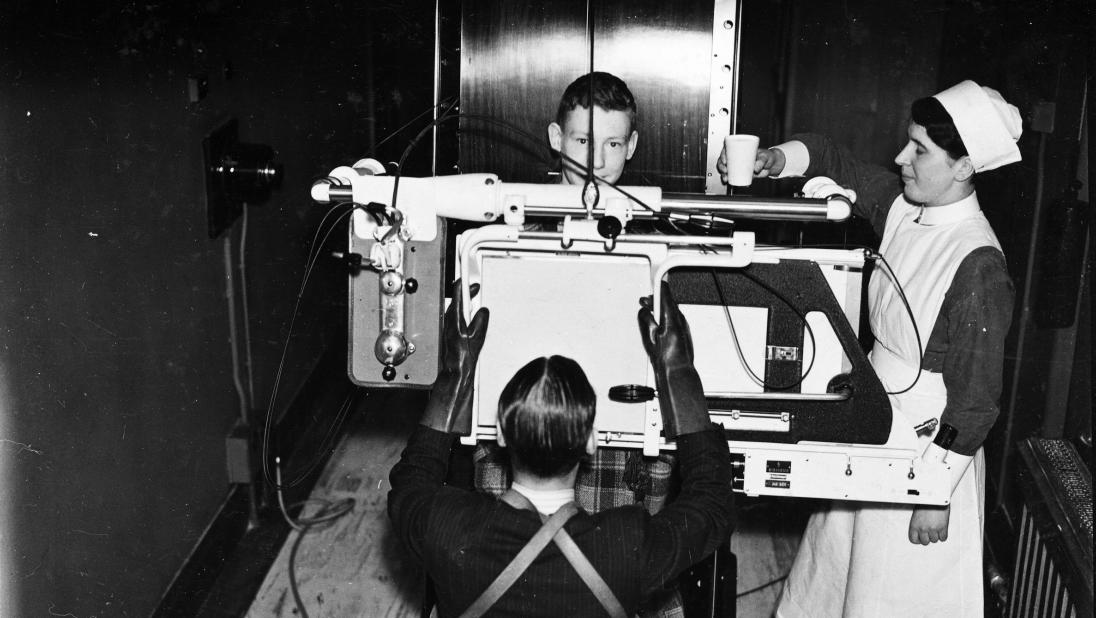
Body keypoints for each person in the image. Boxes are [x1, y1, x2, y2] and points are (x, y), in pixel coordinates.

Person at [719, 80, 1019, 616]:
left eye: (920, 150)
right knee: (836, 573)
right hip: (874, 416)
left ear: (964, 166)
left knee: (891, 591)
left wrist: (933, 492)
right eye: (909, 141)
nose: (902, 157)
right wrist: (774, 159)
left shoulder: (978, 266)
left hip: (927, 449)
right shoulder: (909, 207)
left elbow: (975, 404)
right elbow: (836, 160)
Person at [473, 73, 688, 616]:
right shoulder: (511, 221)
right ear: (554, 137)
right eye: (581, 141)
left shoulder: (658, 233)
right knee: (512, 572)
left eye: (613, 144)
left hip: (624, 442)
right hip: (525, 433)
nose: (596, 160)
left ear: (632, 146)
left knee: (622, 580)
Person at [388, 281, 733, 617]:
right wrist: (677, 369)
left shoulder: (446, 529)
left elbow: (411, 479)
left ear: (501, 436)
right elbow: (712, 502)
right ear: (591, 442)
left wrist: (455, 373)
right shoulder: (627, 546)